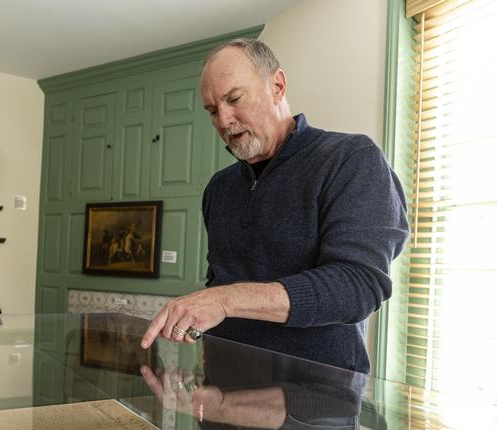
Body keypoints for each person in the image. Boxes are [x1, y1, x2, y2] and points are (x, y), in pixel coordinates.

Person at [140, 38, 409, 373]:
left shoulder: (350, 159)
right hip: (223, 400)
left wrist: (223, 301)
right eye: (212, 111)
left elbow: (357, 285)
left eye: (234, 99)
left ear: (278, 86)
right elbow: (221, 283)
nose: (223, 121)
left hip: (317, 408)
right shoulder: (218, 189)